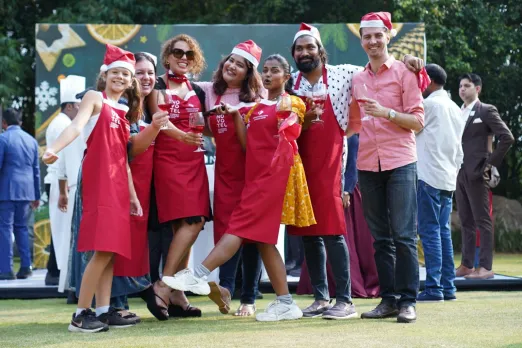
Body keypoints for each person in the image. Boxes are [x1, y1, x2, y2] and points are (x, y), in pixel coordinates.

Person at [163, 54, 315, 322]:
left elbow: (290, 137)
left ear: (286, 77)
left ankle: (197, 274)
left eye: (275, 71)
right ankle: (286, 302)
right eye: (265, 70)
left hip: (275, 177)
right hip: (256, 179)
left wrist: (289, 117)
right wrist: (235, 115)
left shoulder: (291, 102)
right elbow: (247, 146)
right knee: (264, 243)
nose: (269, 75)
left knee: (238, 228)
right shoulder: (254, 108)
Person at [288, 22, 423, 320]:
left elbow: (414, 107)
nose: (305, 52)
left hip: (343, 161)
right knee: (312, 234)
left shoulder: (345, 74)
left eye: (310, 46)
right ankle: (326, 298)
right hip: (305, 166)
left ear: (321, 51)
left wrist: (415, 63)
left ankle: (358, 300)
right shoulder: (290, 84)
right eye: (299, 48)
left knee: (373, 233)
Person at [43, 44, 143, 333]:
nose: (121, 77)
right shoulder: (94, 98)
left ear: (130, 81)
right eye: (116, 72)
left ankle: (103, 310)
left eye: (126, 74)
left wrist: (133, 197)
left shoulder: (123, 110)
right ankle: (80, 314)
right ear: (105, 75)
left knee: (110, 250)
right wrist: (54, 149)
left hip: (117, 186)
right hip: (99, 183)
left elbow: (123, 160)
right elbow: (76, 126)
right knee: (102, 250)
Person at [348, 12, 427, 323]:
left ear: (388, 36)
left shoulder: (406, 73)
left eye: (378, 35)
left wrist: (386, 113)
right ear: (362, 41)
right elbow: (352, 125)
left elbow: (418, 121)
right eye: (366, 36)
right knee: (380, 238)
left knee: (405, 235)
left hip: (400, 162)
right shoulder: (357, 79)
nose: (372, 41)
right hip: (367, 163)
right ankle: (389, 300)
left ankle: (409, 301)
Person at [195, 40, 264, 316]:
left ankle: (249, 298)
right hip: (224, 176)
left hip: (251, 176)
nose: (232, 67)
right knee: (225, 234)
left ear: (249, 73)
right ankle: (225, 290)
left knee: (250, 238)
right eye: (230, 61)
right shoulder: (210, 92)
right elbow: (211, 128)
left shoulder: (256, 99)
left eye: (240, 65)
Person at [147, 34, 209, 317]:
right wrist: (183, 135)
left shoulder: (198, 89)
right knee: (191, 222)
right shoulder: (157, 86)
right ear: (167, 57)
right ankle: (164, 284)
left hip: (194, 161)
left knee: (186, 228)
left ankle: (176, 292)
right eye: (178, 53)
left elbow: (207, 125)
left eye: (189, 54)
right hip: (168, 160)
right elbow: (160, 121)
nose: (183, 58)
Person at [297, 134, 380, 299]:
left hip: (346, 192)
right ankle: (324, 291)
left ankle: (345, 292)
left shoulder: (353, 135)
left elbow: (353, 164)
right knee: (320, 238)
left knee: (343, 238)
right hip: (326, 187)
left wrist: (347, 190)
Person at [455, 73, 514, 280]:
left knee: (482, 220)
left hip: (479, 172)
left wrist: (488, 165)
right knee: (465, 220)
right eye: (460, 86)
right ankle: (467, 265)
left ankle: (486, 267)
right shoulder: (458, 111)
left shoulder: (486, 110)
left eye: (467, 86)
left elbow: (507, 137)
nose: (462, 89)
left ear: (477, 88)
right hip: (459, 172)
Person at [416, 64, 465, 302]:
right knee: (442, 232)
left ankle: (434, 288)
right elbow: (459, 150)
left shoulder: (429, 105)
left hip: (427, 175)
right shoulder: (456, 108)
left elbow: (411, 128)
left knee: (430, 231)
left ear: (429, 81)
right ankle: (448, 287)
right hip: (448, 176)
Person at [44, 75, 86, 287]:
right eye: (79, 105)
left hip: (62, 182)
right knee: (63, 232)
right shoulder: (64, 125)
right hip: (61, 183)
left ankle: (56, 272)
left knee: (62, 232)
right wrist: (64, 191)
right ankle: (59, 273)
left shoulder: (63, 122)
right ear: (69, 105)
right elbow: (61, 163)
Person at [0, 108, 40, 280]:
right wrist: (36, 194)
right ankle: (26, 267)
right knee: (22, 228)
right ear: (21, 122)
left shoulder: (3, 138)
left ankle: (6, 269)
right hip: (27, 191)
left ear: (4, 123)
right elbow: (36, 170)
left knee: (5, 230)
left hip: (7, 190)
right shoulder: (31, 140)